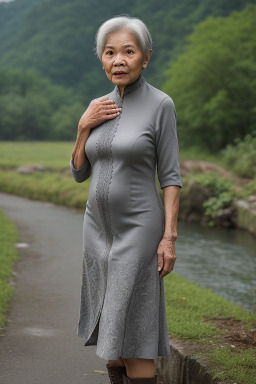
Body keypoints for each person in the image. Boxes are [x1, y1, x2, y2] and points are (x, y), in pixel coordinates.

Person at [70, 15, 182, 384]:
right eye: (110, 52)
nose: (118, 60)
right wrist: (84, 126)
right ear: (102, 59)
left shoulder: (161, 105)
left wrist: (169, 237)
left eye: (128, 52)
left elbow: (170, 177)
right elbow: (78, 171)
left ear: (145, 57)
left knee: (133, 331)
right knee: (109, 330)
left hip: (139, 230)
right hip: (96, 230)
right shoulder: (97, 106)